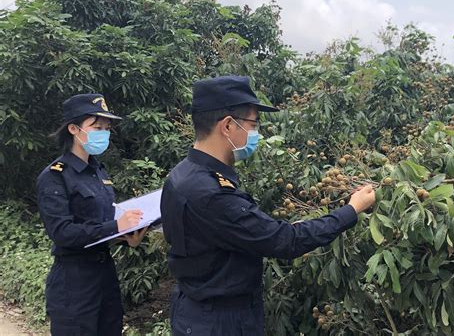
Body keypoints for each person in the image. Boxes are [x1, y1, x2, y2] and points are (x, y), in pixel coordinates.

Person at [160, 75, 376, 335]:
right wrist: (351, 209)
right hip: (221, 321)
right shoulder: (211, 193)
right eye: (253, 125)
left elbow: (225, 235)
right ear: (227, 126)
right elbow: (285, 242)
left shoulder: (182, 174)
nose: (256, 134)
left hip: (195, 308)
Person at [36, 93, 147, 335]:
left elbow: (101, 223)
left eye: (107, 128)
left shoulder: (99, 172)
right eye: (97, 127)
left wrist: (126, 237)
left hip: (105, 275)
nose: (104, 133)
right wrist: (115, 228)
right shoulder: (55, 176)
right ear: (74, 129)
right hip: (73, 281)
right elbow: (62, 233)